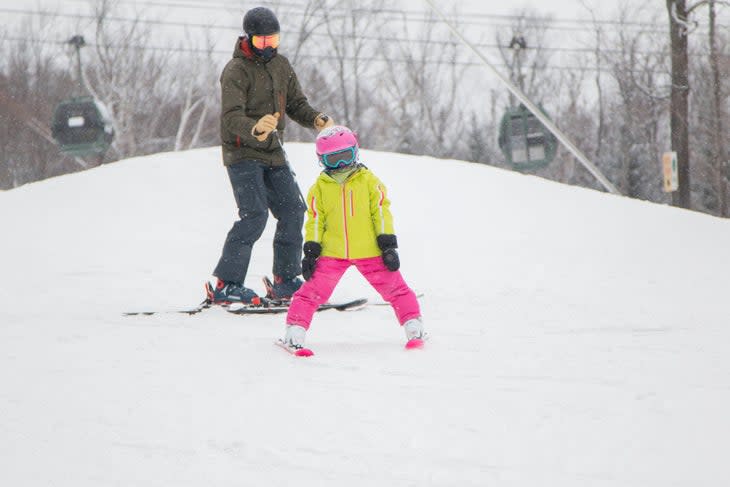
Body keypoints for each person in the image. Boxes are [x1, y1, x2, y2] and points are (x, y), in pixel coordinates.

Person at [208, 6, 334, 305]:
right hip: (242, 151)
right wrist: (255, 127)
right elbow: (230, 116)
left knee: (293, 210)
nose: (269, 48)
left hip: (272, 152)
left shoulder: (282, 66)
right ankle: (227, 284)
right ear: (248, 39)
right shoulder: (235, 71)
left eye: (274, 41)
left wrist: (315, 119)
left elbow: (296, 104)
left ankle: (286, 281)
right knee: (254, 215)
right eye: (262, 42)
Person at [279, 125, 426, 355]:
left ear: (355, 153)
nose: (340, 165)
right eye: (332, 159)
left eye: (344, 157)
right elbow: (315, 221)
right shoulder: (319, 188)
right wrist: (311, 250)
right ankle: (295, 330)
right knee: (310, 292)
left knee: (395, 288)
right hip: (332, 253)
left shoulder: (369, 181)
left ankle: (413, 324)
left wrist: (387, 245)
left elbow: (381, 212)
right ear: (322, 160)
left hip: (370, 250)